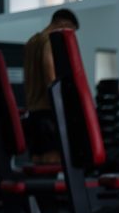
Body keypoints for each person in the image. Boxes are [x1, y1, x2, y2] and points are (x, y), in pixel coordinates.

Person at [22, 9, 79, 164]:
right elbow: (50, 75)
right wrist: (62, 105)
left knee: (37, 161)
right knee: (52, 160)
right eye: (71, 31)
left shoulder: (31, 42)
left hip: (32, 112)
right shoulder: (50, 41)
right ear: (63, 24)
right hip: (47, 111)